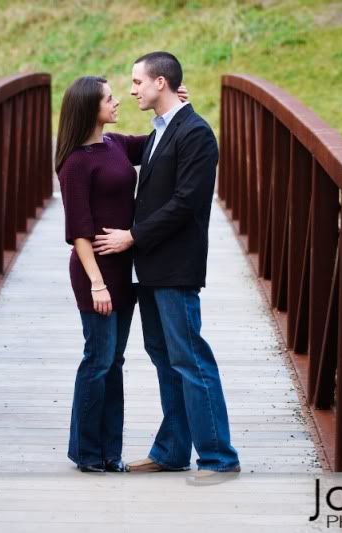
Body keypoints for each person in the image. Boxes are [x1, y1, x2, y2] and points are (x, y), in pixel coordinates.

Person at [93, 51, 241, 481]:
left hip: (174, 268)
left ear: (161, 83)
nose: (132, 89)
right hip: (150, 269)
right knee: (165, 358)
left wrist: (132, 236)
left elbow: (185, 203)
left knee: (191, 359)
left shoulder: (196, 134)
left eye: (138, 82)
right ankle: (173, 451)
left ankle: (219, 457)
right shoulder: (163, 129)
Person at [55, 75, 188, 473]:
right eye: (110, 99)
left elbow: (155, 145)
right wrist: (97, 283)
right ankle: (87, 452)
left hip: (124, 269)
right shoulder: (76, 163)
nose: (118, 102)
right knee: (97, 361)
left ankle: (108, 452)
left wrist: (173, 107)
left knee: (114, 362)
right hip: (95, 274)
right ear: (89, 109)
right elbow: (78, 232)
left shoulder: (114, 145)